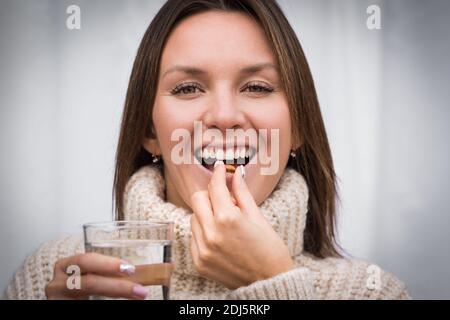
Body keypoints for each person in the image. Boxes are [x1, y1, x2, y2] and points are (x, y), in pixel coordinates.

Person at [6, 0, 410, 300]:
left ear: (299, 127)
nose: (222, 116)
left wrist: (276, 283)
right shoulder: (52, 276)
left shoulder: (369, 293)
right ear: (149, 131)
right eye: (187, 88)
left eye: (257, 87)